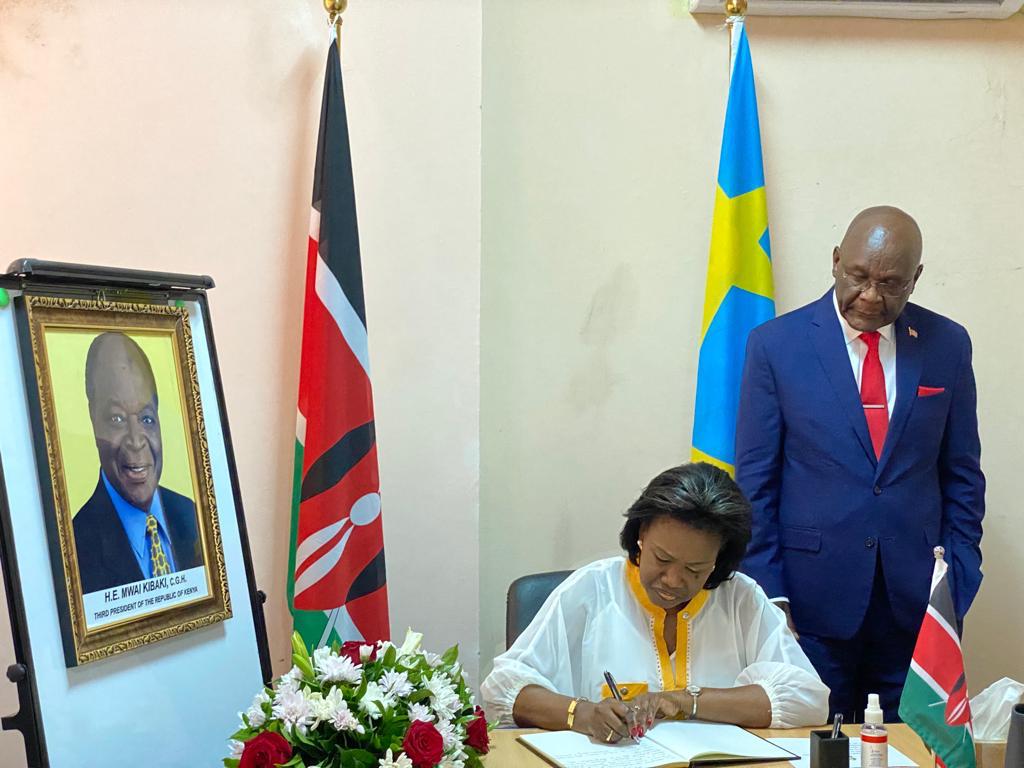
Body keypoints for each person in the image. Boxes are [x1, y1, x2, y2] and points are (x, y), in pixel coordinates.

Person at [736, 206, 985, 723]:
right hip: (808, 603)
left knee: (913, 746)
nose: (871, 296)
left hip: (916, 605)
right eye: (858, 277)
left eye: (890, 283)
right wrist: (771, 597)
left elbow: (962, 473)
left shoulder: (947, 344)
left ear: (916, 278)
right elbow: (756, 484)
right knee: (812, 745)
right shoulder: (776, 345)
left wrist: (958, 580)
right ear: (835, 262)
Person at [480, 462, 828, 742]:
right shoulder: (592, 589)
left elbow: (807, 698)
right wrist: (582, 714)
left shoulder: (740, 597)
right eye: (662, 559)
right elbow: (504, 690)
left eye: (694, 569)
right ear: (641, 535)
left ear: (719, 560)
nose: (673, 581)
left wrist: (683, 701)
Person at [73, 332, 203, 595]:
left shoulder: (193, 517)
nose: (136, 441)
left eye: (146, 419)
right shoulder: (75, 549)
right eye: (117, 419)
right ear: (93, 421)